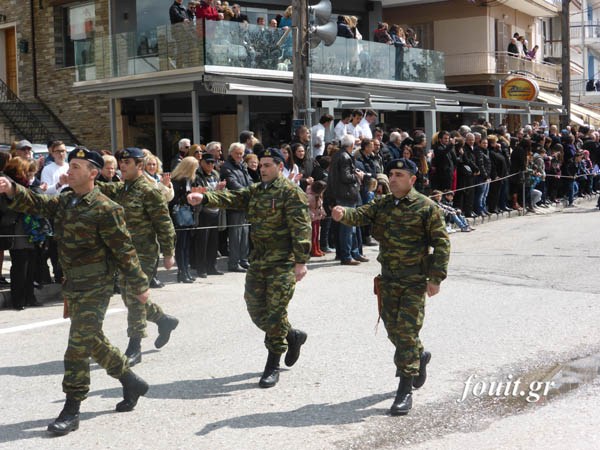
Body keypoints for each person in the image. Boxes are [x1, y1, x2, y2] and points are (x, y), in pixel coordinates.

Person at [0, 148, 151, 435]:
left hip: (97, 285)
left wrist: (140, 285)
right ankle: (131, 381)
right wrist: (12, 188)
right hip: (73, 284)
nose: (70, 170)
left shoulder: (107, 209)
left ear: (93, 174)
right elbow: (37, 203)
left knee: (78, 345)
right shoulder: (66, 201)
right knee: (93, 340)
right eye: (70, 165)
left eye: (78, 166)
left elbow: (125, 251)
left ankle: (72, 407)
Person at [331, 158, 450, 416]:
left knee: (406, 331)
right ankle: (419, 356)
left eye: (399, 174)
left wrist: (435, 278)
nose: (393, 178)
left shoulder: (426, 207)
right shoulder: (383, 204)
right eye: (391, 174)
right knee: (393, 330)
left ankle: (404, 389)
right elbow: (360, 214)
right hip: (388, 279)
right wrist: (343, 214)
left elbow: (442, 244)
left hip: (414, 280)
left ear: (412, 179)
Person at [187, 147, 311, 389]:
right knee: (255, 309)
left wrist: (301, 261)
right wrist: (205, 197)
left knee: (275, 312)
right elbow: (234, 197)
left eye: (267, 165)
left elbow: (301, 228)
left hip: (282, 262)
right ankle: (292, 335)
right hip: (259, 259)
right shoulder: (257, 190)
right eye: (261, 165)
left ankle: (272, 364)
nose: (262, 169)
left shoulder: (290, 193)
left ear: (279, 166)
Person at [96, 147, 179, 367]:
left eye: (127, 163)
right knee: (130, 297)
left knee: (133, 297)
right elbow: (102, 187)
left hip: (143, 254)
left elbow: (164, 224)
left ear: (139, 166)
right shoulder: (123, 188)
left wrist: (169, 253)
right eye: (121, 162)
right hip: (123, 253)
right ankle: (164, 320)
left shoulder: (149, 191)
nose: (122, 166)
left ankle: (135, 346)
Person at [191, 152, 226, 278]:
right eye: (208, 162)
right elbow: (199, 192)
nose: (211, 165)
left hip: (215, 211)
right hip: (203, 212)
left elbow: (220, 191)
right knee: (202, 242)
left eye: (213, 162)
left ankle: (212, 266)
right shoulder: (197, 176)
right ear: (201, 163)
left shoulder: (216, 174)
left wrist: (222, 189)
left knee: (213, 241)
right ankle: (201, 268)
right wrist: (215, 189)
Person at [220, 142, 253, 272]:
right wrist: (247, 192)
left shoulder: (242, 166)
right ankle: (233, 263)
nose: (240, 156)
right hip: (235, 205)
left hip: (244, 204)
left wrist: (252, 190)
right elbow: (233, 183)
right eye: (237, 153)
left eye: (242, 153)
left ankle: (243, 260)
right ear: (231, 153)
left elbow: (249, 181)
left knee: (245, 233)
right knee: (235, 235)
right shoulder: (227, 167)